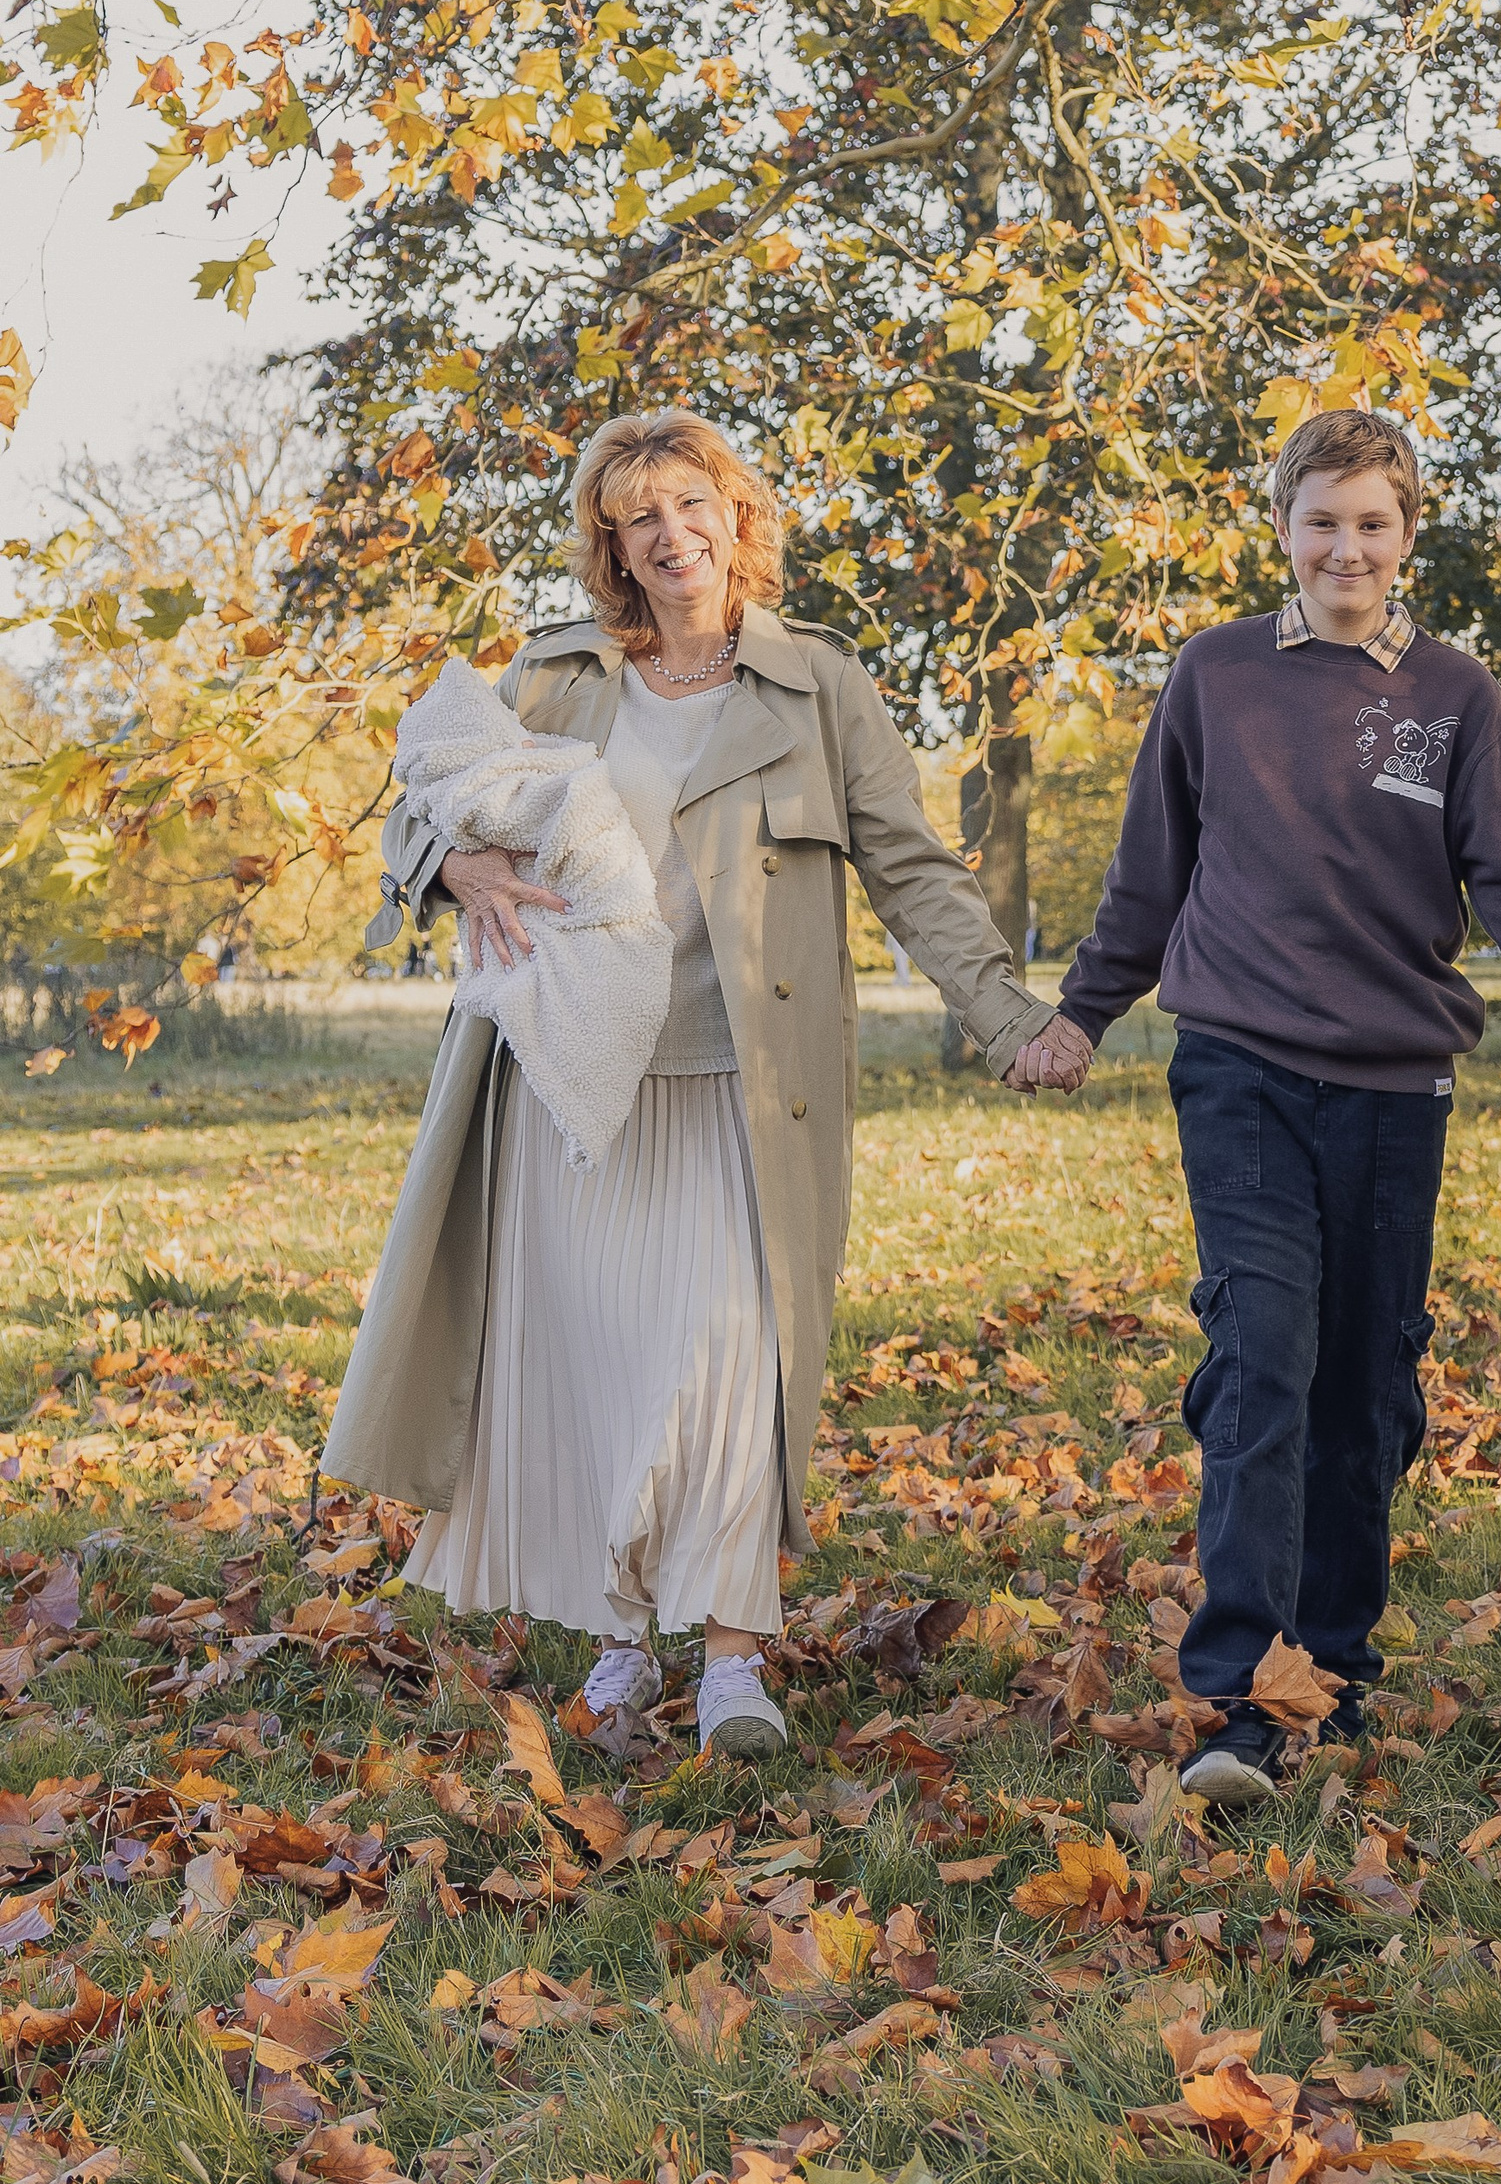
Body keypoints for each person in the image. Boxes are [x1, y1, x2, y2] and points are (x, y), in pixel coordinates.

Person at [325, 410, 1090, 1755]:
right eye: (640, 516)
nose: (671, 534)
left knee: (731, 1359)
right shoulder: (556, 678)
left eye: (693, 504)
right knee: (615, 1366)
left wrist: (1009, 1012)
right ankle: (627, 1633)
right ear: (613, 546)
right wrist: (459, 867)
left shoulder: (820, 687)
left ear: (736, 518)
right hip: (578, 1083)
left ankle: (733, 1656)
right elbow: (420, 796)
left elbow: (909, 864)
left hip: (750, 1091)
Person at [1045, 406, 1501, 1804]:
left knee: (1366, 1374)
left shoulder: (1453, 697)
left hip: (1392, 1084)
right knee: (1262, 1352)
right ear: (1284, 530)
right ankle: (1239, 1691)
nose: (1346, 545)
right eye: (1323, 519)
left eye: (1374, 521)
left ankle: (1339, 1665)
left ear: (1407, 534)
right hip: (1239, 1066)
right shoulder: (1216, 676)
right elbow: (1151, 870)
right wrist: (1081, 1009)